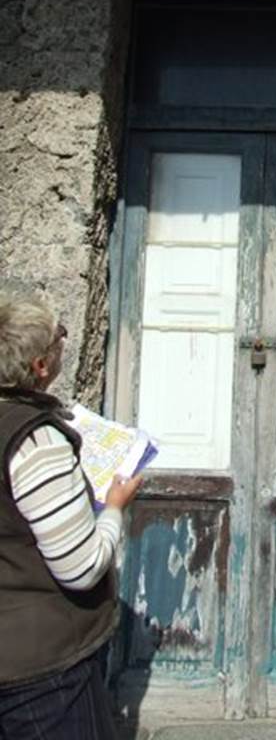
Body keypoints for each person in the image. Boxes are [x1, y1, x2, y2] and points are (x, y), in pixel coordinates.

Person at [0, 295, 141, 739]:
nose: (66, 339)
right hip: (38, 674)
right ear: (41, 366)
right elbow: (80, 567)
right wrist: (114, 510)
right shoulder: (36, 442)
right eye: (61, 334)